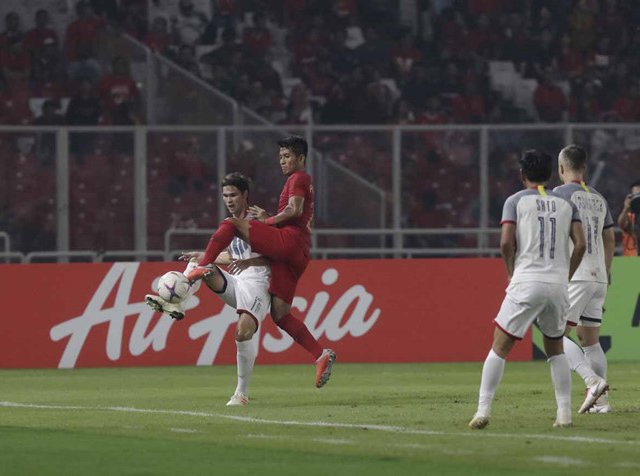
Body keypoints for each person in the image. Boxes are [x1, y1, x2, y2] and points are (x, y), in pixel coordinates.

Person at [187, 136, 336, 388]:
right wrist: (269, 223)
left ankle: (202, 267)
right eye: (280, 157)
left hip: (290, 242)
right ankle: (320, 354)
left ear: (301, 158)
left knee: (233, 224)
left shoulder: (299, 178)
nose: (283, 161)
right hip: (297, 255)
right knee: (280, 315)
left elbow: (295, 210)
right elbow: (295, 215)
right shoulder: (300, 181)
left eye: (287, 156)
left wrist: (265, 222)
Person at [469, 150, 586, 430]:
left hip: (527, 280)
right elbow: (581, 244)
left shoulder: (515, 201)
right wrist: (565, 276)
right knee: (556, 349)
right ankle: (564, 414)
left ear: (522, 175)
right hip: (558, 285)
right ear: (551, 174)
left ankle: (483, 410)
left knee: (499, 347)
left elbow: (505, 242)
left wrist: (510, 271)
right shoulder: (566, 203)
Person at [145, 173, 271, 406]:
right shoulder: (231, 223)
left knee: (243, 333)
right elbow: (234, 256)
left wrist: (250, 262)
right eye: (225, 195)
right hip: (237, 281)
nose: (229, 200)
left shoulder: (259, 221)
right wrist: (203, 256)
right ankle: (177, 304)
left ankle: (241, 394)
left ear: (245, 195)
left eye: (233, 195)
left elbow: (278, 255)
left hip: (258, 285)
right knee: (201, 263)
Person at [554, 145, 613, 413]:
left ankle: (592, 382)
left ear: (561, 168)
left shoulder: (559, 194)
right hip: (598, 276)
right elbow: (609, 238)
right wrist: (606, 272)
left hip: (575, 275)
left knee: (554, 334)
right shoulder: (599, 198)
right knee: (590, 340)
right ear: (585, 168)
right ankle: (602, 403)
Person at [617, 180, 640, 256]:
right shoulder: (629, 214)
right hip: (631, 258)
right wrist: (626, 208)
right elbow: (621, 224)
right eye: (635, 195)